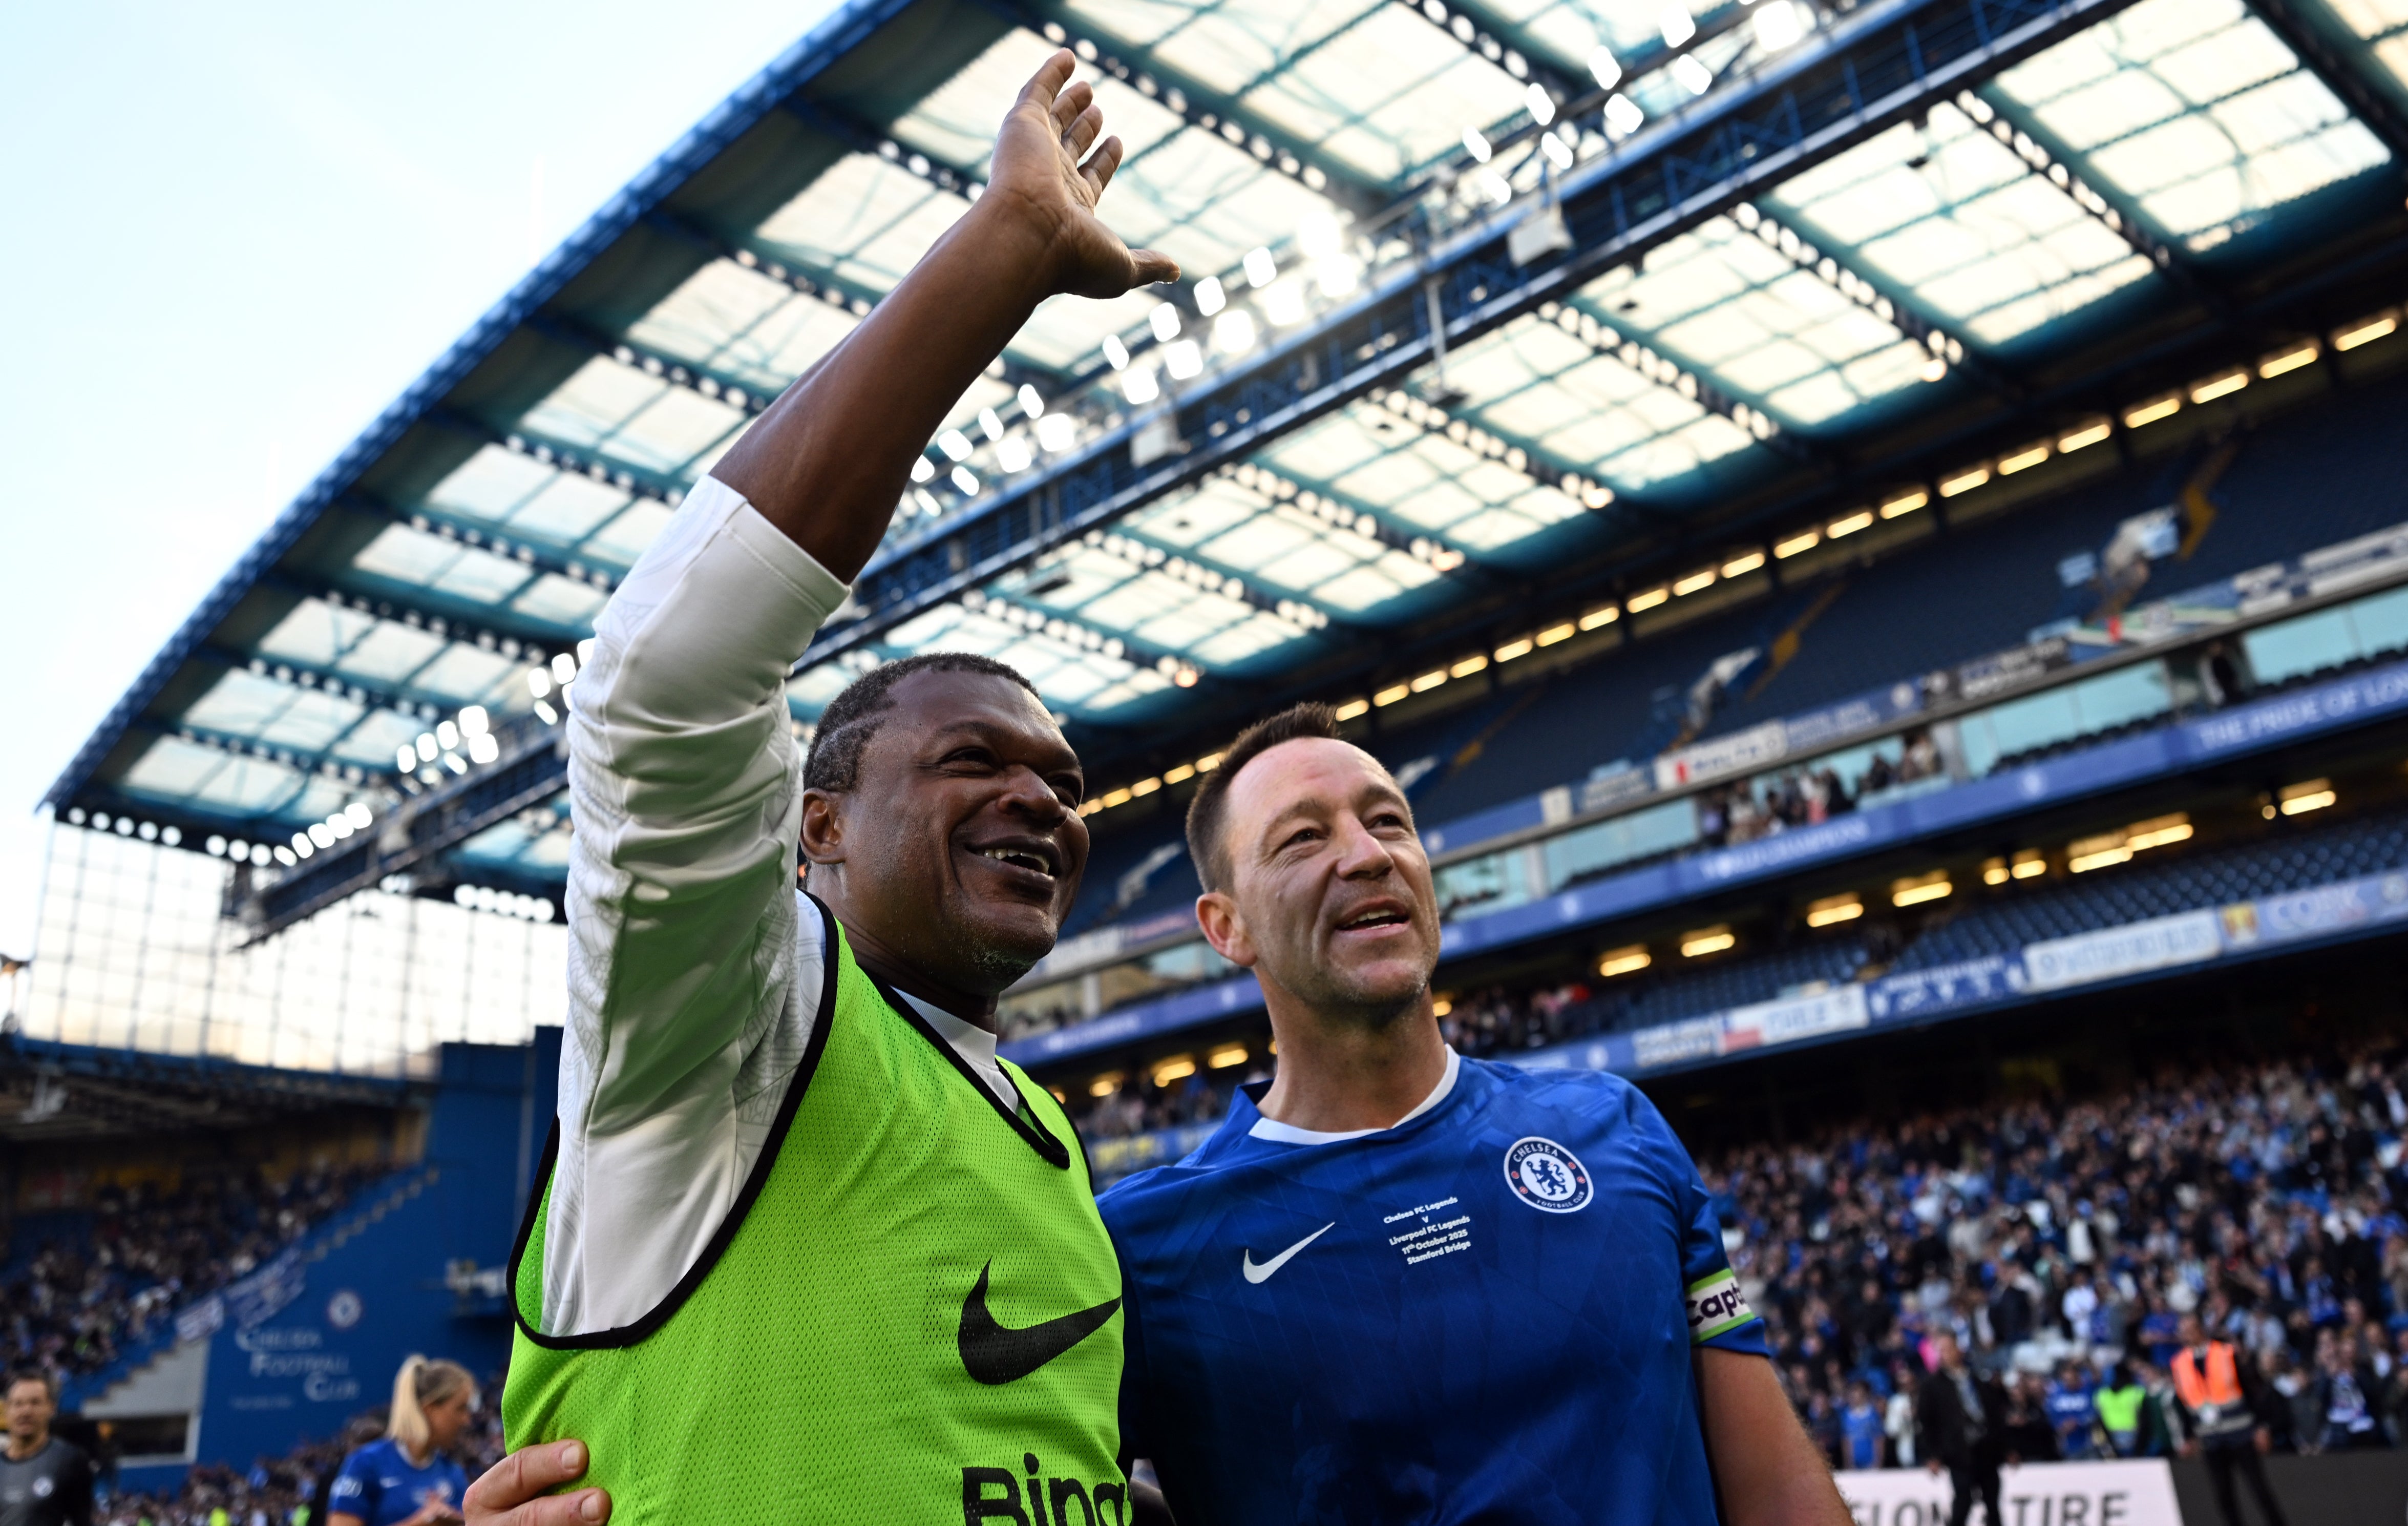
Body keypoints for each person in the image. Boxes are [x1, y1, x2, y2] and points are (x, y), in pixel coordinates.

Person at [465, 48, 1178, 1526]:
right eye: (971, 760)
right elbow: (660, 683)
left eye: (1060, 776)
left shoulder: (1047, 1147)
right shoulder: (726, 1028)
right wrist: (1004, 256)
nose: (1041, 798)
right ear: (817, 827)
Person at [1097, 704, 1852, 1524]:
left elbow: (1774, 1485)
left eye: (1388, 820)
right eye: (1303, 838)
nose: (1366, 853)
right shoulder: (1146, 1246)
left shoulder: (1613, 1126)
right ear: (1226, 925)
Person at [2169, 1314, 2289, 1526]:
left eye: (2190, 1329)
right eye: (2183, 1331)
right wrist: (2189, 1436)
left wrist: (2261, 1426)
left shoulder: (2224, 1353)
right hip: (2211, 1438)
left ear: (2200, 1330)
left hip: (2240, 1432)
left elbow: (2252, 1391)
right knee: (2224, 1495)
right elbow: (2184, 1403)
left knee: (2259, 1488)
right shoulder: (2179, 1363)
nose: (2186, 1335)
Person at [327, 1358, 474, 1526]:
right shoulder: (366, 1464)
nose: (466, 1421)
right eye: (460, 1408)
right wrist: (422, 1521)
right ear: (430, 1409)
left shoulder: (453, 1473)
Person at [1915, 1334, 2006, 1526]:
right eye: (1940, 1351)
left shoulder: (1978, 1379)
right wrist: (1932, 1454)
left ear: (1959, 1350)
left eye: (1947, 1349)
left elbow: (1995, 1414)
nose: (1943, 1355)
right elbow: (1926, 1423)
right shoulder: (1932, 1386)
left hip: (1986, 1451)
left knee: (1993, 1504)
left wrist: (2005, 1447)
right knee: (1963, 1500)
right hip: (1958, 1453)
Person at [0, 1369, 91, 1526]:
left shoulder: (69, 1460)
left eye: (35, 1403)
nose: (26, 1411)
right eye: (18, 1404)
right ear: (7, 1410)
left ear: (52, 1408)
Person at [2094, 1362, 2147, 1457]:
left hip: (2136, 1437)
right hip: (2112, 1438)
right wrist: (2107, 1444)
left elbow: (2145, 1420)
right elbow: (2099, 1421)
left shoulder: (2136, 1392)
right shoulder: (2101, 1395)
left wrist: (2141, 1444)